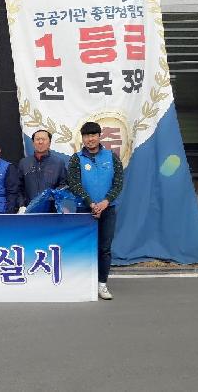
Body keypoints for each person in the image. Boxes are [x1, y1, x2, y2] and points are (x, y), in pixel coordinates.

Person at [67, 121, 124, 300]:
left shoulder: (111, 157)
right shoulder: (76, 159)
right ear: (82, 138)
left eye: (93, 135)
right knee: (83, 248)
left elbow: (118, 182)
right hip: (84, 210)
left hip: (108, 210)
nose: (90, 139)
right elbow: (74, 184)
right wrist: (91, 204)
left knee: (104, 248)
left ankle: (102, 284)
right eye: (86, 136)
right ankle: (83, 284)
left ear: (99, 136)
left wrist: (106, 202)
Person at [17, 129, 67, 213]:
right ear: (33, 143)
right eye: (37, 139)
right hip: (28, 211)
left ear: (49, 143)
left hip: (52, 212)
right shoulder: (24, 163)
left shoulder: (58, 163)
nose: (40, 142)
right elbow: (18, 187)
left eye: (43, 139)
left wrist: (52, 196)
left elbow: (64, 185)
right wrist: (21, 205)